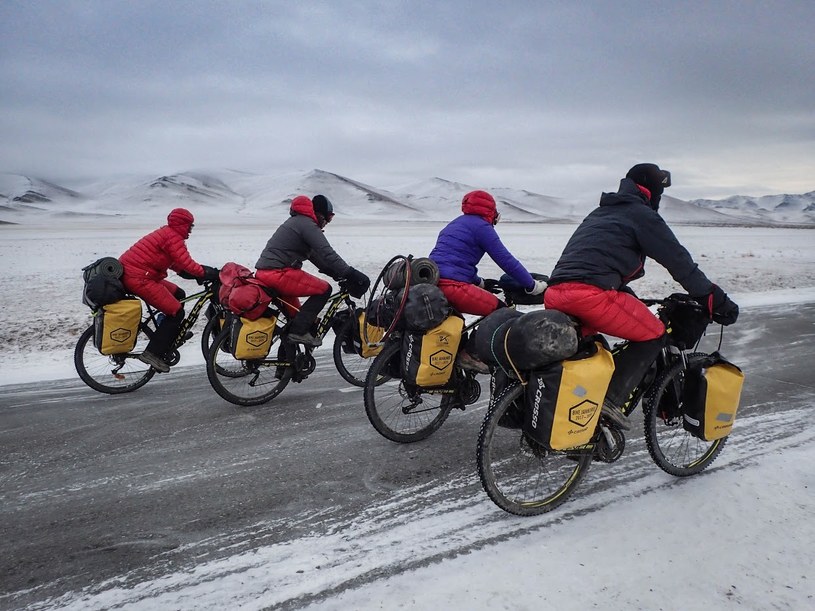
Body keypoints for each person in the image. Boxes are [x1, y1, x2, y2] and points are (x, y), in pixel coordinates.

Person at [544, 163, 739, 429]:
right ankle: (609, 403)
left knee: (591, 350)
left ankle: (571, 415)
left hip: (556, 293)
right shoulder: (641, 215)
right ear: (652, 191)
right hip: (591, 295)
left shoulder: (600, 213)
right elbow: (680, 263)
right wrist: (714, 299)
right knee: (654, 333)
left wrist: (627, 294)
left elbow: (593, 261)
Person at [428, 189, 546, 373]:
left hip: (435, 282)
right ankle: (470, 355)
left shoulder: (454, 224)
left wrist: (480, 282)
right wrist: (531, 285)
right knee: (501, 312)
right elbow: (506, 260)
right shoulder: (482, 227)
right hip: (453, 287)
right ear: (491, 211)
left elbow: (453, 261)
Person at [254, 194, 370, 347]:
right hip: (278, 273)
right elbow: (327, 253)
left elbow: (318, 259)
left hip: (266, 273)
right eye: (328, 218)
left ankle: (287, 368)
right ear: (319, 214)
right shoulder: (307, 224)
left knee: (296, 319)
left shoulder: (298, 222)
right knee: (324, 290)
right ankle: (298, 332)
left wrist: (336, 274)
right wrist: (350, 273)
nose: (327, 223)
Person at [119, 207, 219, 373]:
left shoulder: (167, 234)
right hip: (139, 278)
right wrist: (207, 273)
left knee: (179, 294)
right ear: (183, 224)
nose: (191, 230)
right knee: (176, 313)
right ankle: (152, 353)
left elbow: (176, 263)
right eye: (190, 226)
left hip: (139, 275)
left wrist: (187, 273)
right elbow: (187, 263)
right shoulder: (173, 237)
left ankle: (167, 333)